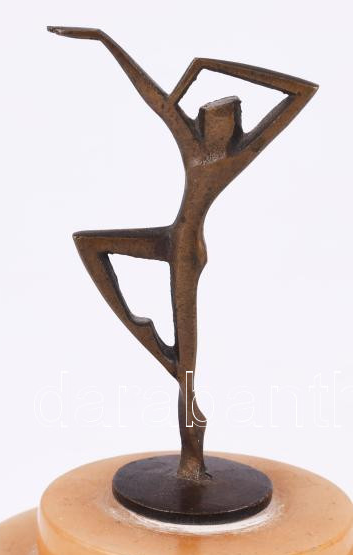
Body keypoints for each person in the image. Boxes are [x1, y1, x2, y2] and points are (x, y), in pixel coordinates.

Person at [48, 27, 318, 482]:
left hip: (187, 252)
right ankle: (152, 342)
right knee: (89, 243)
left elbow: (301, 91)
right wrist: (104, 40)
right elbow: (150, 93)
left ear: (235, 127)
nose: (212, 125)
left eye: (223, 120)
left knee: (186, 363)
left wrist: (210, 65)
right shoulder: (189, 140)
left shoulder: (237, 156)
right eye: (208, 118)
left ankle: (192, 449)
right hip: (171, 236)